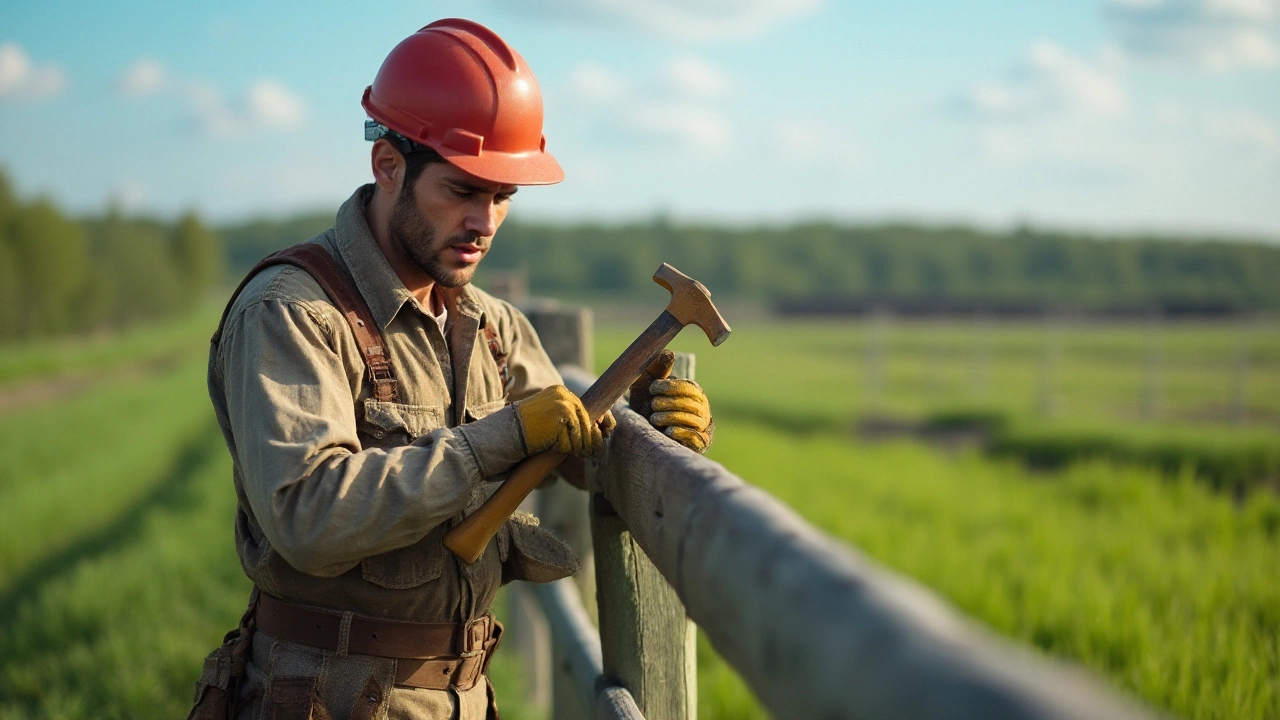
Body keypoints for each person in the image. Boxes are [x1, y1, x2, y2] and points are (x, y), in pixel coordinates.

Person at [192, 18, 715, 720]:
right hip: (326, 696)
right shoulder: (292, 312)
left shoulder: (491, 328)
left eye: (502, 197)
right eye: (463, 190)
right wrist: (495, 439)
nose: (486, 221)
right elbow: (307, 517)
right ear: (387, 166)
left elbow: (575, 449)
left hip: (463, 697)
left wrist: (646, 425)